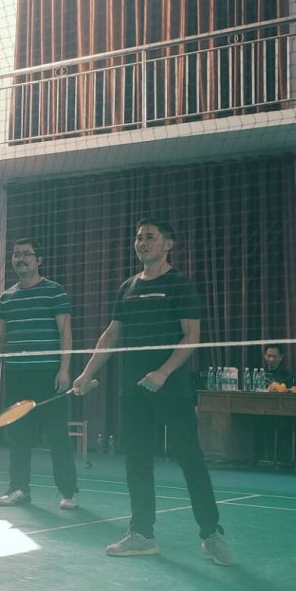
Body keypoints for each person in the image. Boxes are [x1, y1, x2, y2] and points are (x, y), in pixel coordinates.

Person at [73, 219, 233, 565]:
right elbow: (111, 335)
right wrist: (86, 373)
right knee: (137, 461)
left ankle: (211, 534)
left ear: (167, 245)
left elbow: (191, 337)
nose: (142, 243)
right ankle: (142, 534)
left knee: (190, 458)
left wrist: (163, 372)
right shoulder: (127, 287)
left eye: (150, 237)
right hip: (135, 389)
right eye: (138, 238)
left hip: (171, 386)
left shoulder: (181, 286)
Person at [0, 238, 79, 509]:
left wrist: (64, 370)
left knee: (57, 435)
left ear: (39, 260)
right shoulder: (6, 297)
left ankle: (68, 492)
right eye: (16, 254)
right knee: (18, 436)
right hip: (17, 375)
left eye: (27, 254)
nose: (20, 259)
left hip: (47, 374)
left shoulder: (54, 291)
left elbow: (65, 332)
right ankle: (18, 489)